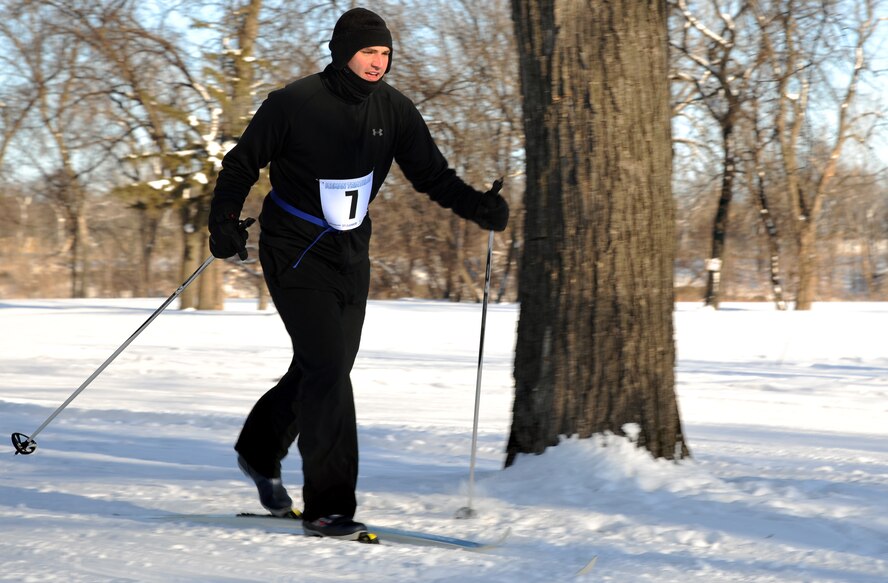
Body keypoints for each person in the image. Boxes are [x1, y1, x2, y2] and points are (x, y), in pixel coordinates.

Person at [207, 7, 509, 541]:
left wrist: (477, 207)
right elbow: (241, 164)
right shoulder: (293, 103)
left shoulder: (394, 109)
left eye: (385, 53)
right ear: (343, 50)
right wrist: (224, 222)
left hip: (351, 252)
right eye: (369, 51)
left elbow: (431, 175)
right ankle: (328, 508)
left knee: (324, 366)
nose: (378, 62)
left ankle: (258, 450)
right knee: (329, 374)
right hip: (293, 247)